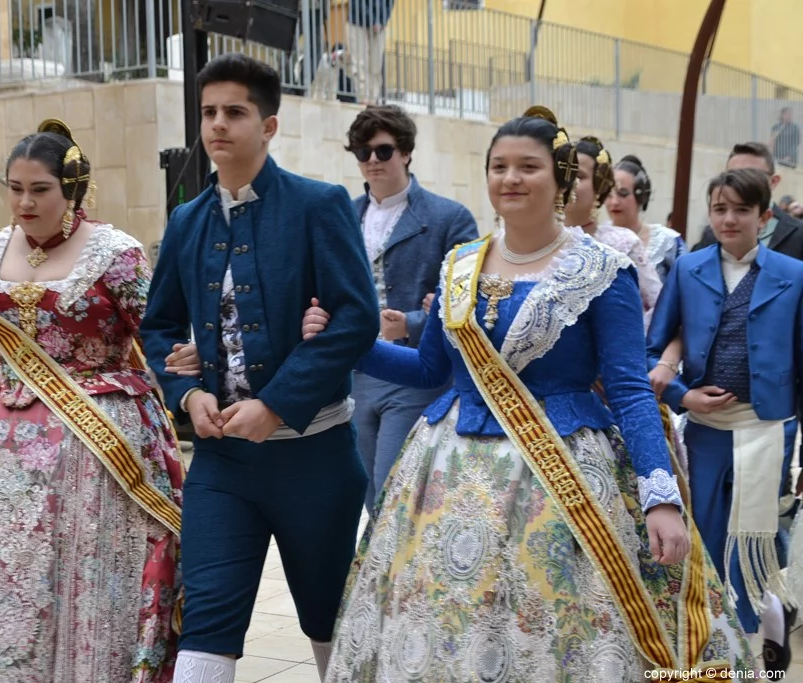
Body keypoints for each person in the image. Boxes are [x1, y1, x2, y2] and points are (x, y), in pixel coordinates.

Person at [307, 107, 753, 680]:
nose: (510, 178)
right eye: (499, 166)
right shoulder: (459, 265)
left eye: (528, 167)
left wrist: (659, 494)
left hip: (563, 477)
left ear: (560, 180)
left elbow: (628, 390)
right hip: (446, 472)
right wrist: (350, 343)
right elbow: (428, 369)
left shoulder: (601, 271)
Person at [0, 119, 183, 682]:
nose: (23, 201)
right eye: (14, 187)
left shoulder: (116, 254)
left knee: (67, 575)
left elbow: (159, 338)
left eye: (39, 189)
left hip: (91, 448)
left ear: (73, 188)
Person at [139, 53, 379, 683]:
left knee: (328, 618)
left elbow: (357, 319)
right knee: (209, 618)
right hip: (222, 466)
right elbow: (158, 325)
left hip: (316, 458)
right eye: (208, 112)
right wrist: (188, 395)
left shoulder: (318, 205)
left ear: (269, 124)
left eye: (234, 112)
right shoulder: (187, 220)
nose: (218, 125)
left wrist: (274, 403)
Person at [647, 167, 803, 674]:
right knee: (706, 537)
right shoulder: (687, 270)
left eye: (741, 210)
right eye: (720, 209)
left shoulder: (794, 275)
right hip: (706, 431)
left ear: (765, 216)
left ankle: (764, 641)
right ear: (709, 214)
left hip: (768, 427)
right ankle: (711, 647)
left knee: (755, 539)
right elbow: (652, 349)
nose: (729, 219)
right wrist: (682, 395)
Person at [344, 105, 478, 512]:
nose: (371, 161)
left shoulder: (449, 217)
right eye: (361, 152)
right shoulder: (343, 214)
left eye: (382, 151)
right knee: (365, 488)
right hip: (353, 370)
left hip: (415, 370)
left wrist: (413, 322)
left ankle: (393, 573)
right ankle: (380, 572)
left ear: (405, 152)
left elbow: (465, 301)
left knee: (394, 488)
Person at [564, 136, 662, 325]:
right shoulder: (539, 240)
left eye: (580, 176)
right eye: (565, 173)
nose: (570, 183)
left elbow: (660, 306)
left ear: (600, 186)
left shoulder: (623, 243)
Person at [693, 143, 803, 261]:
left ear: (774, 181)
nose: (741, 182)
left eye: (753, 175)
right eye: (733, 175)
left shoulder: (798, 234)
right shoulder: (712, 234)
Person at [606, 154, 685, 284]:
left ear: (641, 196)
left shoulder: (667, 242)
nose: (614, 202)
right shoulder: (595, 238)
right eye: (609, 194)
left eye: (623, 193)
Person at [346, 0, 394, 104]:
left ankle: (373, 99)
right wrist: (373, 21)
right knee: (360, 63)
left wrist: (382, 21)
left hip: (380, 26)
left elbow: (390, 3)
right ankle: (363, 98)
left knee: (376, 65)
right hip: (357, 22)